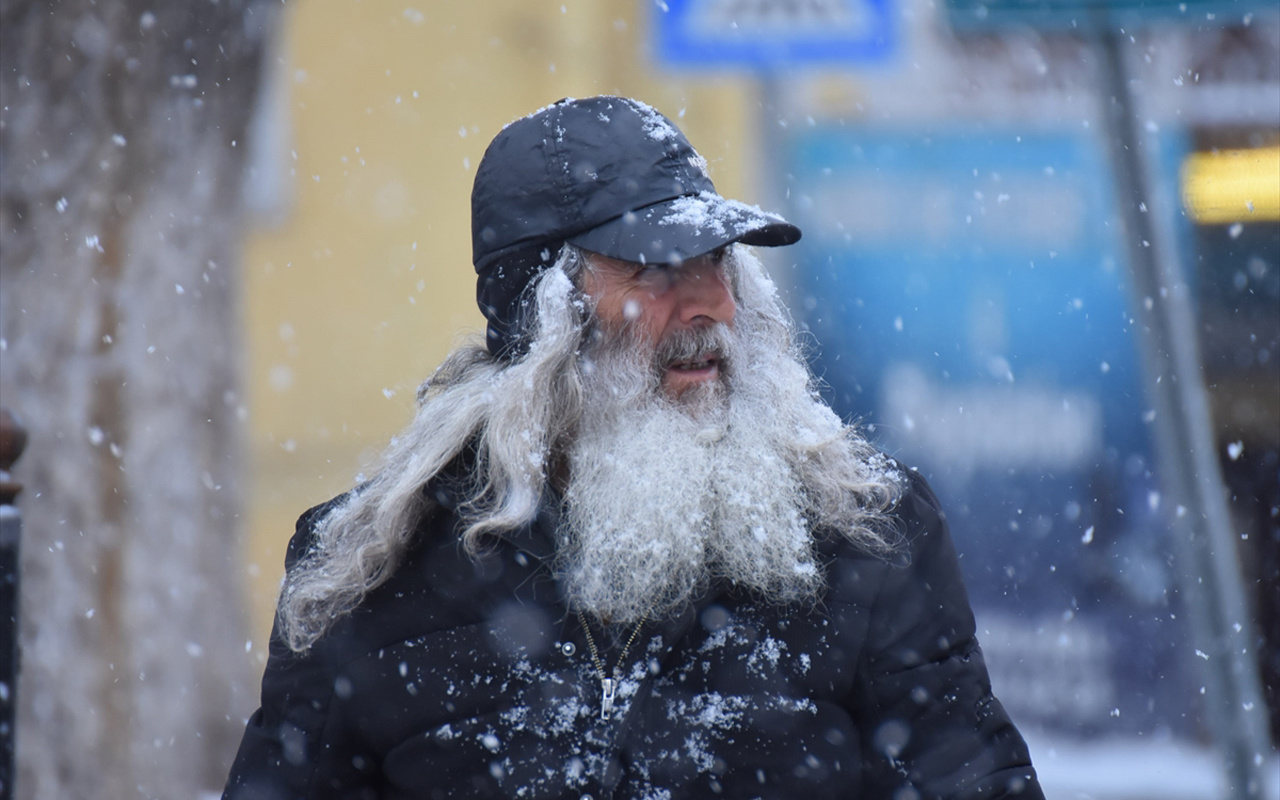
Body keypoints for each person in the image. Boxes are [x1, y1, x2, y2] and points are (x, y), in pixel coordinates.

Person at [223, 96, 1043, 800]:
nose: (709, 305)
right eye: (654, 272)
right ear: (541, 321)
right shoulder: (372, 569)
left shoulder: (865, 533)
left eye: (716, 259)